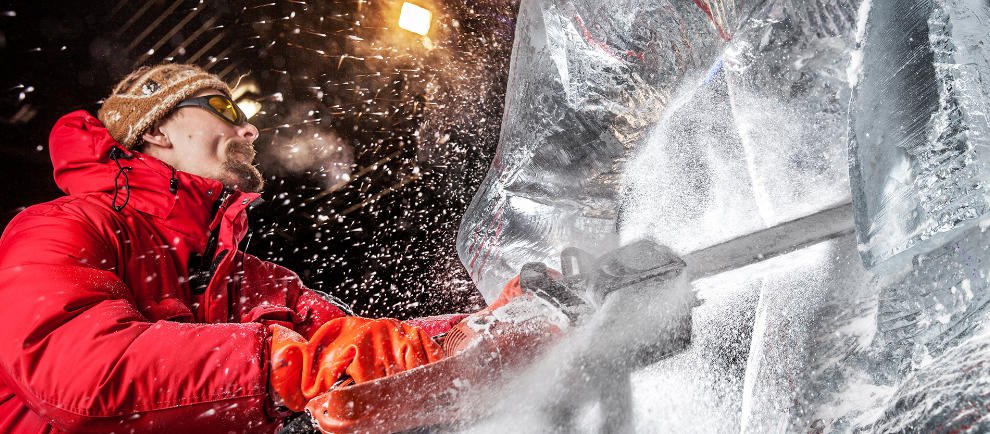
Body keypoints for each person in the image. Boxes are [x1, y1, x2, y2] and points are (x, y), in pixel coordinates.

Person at [0, 63, 467, 433]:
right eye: (223, 107)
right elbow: (84, 376)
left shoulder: (254, 278)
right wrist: (290, 365)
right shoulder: (62, 227)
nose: (249, 131)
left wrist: (486, 328)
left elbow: (364, 342)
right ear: (156, 129)